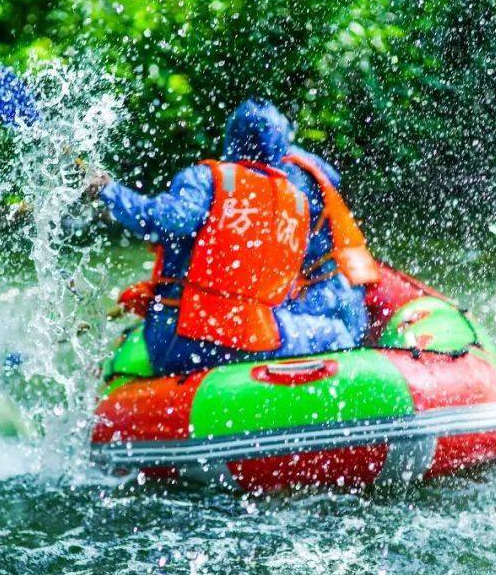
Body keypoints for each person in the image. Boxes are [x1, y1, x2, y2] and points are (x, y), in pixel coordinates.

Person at [91, 99, 377, 375]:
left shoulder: (207, 179)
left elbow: (170, 221)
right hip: (253, 342)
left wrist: (109, 190)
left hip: (182, 341)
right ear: (281, 148)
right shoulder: (296, 202)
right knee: (336, 333)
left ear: (231, 140)